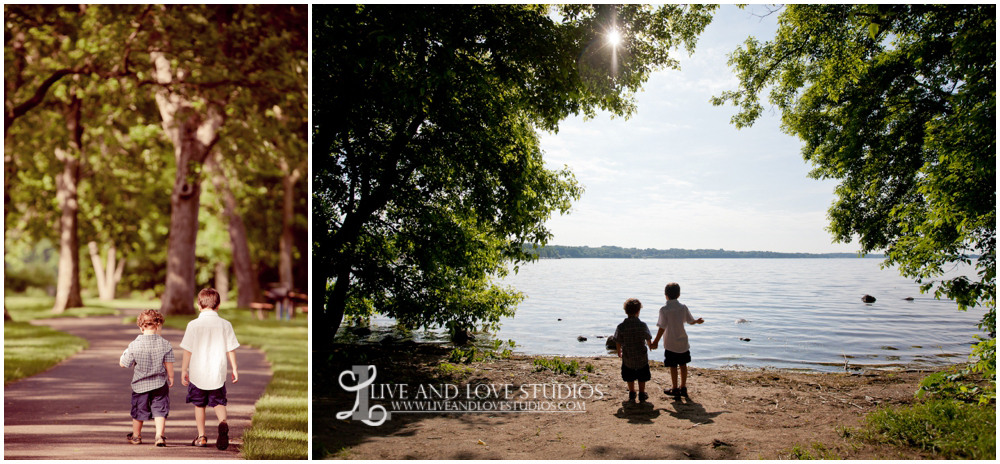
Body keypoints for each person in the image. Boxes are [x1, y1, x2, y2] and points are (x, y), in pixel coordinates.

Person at [180, 287, 240, 450]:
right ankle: (223, 423)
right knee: (219, 402)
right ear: (218, 305)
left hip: (198, 374)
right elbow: (231, 348)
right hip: (217, 373)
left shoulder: (193, 325)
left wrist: (184, 369)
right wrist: (234, 368)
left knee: (200, 405)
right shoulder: (225, 324)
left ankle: (202, 436)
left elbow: (188, 349)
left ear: (199, 306)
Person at [120, 309, 175, 447]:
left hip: (140, 386)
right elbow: (168, 363)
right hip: (160, 383)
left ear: (140, 326)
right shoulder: (165, 344)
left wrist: (125, 353)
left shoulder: (134, 344)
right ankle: (159, 436)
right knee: (160, 410)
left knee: (139, 410)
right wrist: (171, 377)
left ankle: (136, 436)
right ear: (158, 325)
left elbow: (124, 364)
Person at [651, 282, 704, 398]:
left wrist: (655, 342)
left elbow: (662, 327)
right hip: (683, 343)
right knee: (683, 364)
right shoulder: (683, 307)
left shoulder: (664, 310)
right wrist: (697, 321)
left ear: (665, 295)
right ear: (679, 294)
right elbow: (690, 321)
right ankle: (683, 387)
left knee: (673, 366)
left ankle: (675, 388)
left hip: (670, 344)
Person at [614, 298, 653, 402]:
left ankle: (631, 391)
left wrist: (619, 351)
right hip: (641, 357)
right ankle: (641, 392)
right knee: (642, 376)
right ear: (638, 311)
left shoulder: (621, 326)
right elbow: (648, 338)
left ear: (626, 311)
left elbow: (618, 340)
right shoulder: (643, 325)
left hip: (628, 356)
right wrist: (650, 346)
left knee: (629, 375)